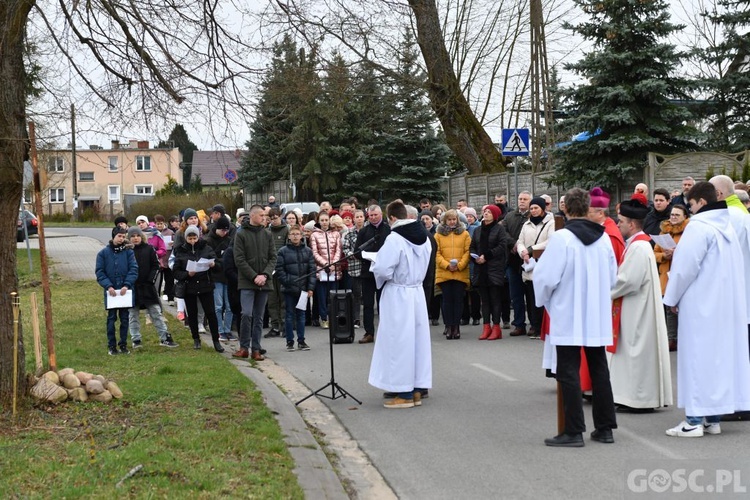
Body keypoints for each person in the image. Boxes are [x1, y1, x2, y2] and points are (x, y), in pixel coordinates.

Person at [663, 181, 750, 437]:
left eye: (690, 204)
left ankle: (692, 421)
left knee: (696, 360)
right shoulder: (730, 226)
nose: (689, 210)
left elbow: (684, 268)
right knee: (716, 360)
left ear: (701, 202)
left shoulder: (699, 228)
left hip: (700, 305)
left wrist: (671, 298)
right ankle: (712, 419)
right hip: (726, 305)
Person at [534, 187, 618, 447]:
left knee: (568, 370)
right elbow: (613, 276)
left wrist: (545, 300)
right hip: (595, 312)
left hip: (569, 311)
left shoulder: (562, 239)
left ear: (566, 209)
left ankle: (573, 431)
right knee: (599, 368)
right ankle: (605, 428)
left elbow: (546, 278)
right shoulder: (603, 238)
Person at [610, 195, 673, 411]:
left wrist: (603, 289)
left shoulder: (639, 247)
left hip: (638, 308)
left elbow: (628, 281)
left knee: (636, 351)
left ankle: (639, 400)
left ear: (632, 223)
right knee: (631, 351)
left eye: (620, 221)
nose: (618, 225)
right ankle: (631, 396)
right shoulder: (636, 244)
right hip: (634, 305)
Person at [368, 200, 433, 408]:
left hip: (398, 293)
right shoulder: (424, 238)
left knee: (398, 341)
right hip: (416, 292)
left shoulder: (395, 239)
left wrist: (376, 265)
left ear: (393, 218)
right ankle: (416, 388)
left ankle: (403, 393)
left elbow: (384, 269)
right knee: (416, 341)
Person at [171, 225, 225, 353]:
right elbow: (176, 271)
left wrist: (213, 264)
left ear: (198, 237)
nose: (192, 241)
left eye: (194, 238)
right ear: (186, 238)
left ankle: (216, 340)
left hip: (205, 285)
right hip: (189, 286)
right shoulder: (181, 251)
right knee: (192, 314)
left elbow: (219, 266)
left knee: (211, 313)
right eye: (189, 238)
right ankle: (196, 339)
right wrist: (186, 274)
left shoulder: (206, 248)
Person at [233, 205, 276, 361]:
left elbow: (273, 257)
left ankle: (256, 349)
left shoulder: (267, 234)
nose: (264, 218)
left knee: (259, 317)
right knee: (246, 314)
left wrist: (264, 275)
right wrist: (253, 276)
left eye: (265, 215)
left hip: (264, 281)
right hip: (247, 282)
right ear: (253, 216)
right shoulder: (241, 234)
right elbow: (239, 259)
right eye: (261, 215)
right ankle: (244, 347)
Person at [126, 226, 177, 348]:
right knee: (133, 315)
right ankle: (136, 339)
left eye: (137, 235)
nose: (135, 238)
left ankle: (164, 337)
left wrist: (150, 280)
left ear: (141, 236)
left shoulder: (149, 249)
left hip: (147, 286)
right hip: (132, 287)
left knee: (156, 312)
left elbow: (155, 266)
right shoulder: (127, 251)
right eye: (132, 236)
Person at [515, 196, 555, 338]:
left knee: (541, 298)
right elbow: (520, 241)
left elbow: (551, 241)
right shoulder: (526, 225)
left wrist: (531, 250)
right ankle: (533, 324)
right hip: (528, 265)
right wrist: (522, 252)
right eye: (531, 208)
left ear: (543, 208)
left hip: (543, 264)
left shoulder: (551, 223)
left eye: (536, 208)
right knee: (530, 298)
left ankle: (541, 326)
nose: (533, 210)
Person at [96, 226, 139, 356]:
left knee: (125, 318)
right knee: (111, 318)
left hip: (125, 292)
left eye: (123, 236)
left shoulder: (129, 253)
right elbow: (100, 272)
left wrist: (127, 285)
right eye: (119, 236)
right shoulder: (103, 253)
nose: (121, 239)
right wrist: (108, 286)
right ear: (113, 236)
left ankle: (123, 344)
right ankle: (111, 345)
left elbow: (133, 269)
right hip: (111, 292)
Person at [653, 204, 689, 351]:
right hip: (666, 276)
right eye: (672, 214)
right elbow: (654, 253)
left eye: (677, 215)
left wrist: (677, 253)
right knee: (669, 310)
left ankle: (683, 339)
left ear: (685, 217)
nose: (673, 217)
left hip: (681, 276)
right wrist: (663, 255)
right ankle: (671, 339)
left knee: (683, 309)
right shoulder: (663, 232)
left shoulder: (689, 232)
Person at [471, 204, 510, 341]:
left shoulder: (499, 229)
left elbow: (502, 246)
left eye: (489, 212)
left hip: (494, 269)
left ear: (495, 214)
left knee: (495, 299)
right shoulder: (477, 230)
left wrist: (486, 256)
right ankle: (486, 327)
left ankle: (496, 327)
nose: (486, 213)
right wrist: (475, 256)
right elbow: (473, 246)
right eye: (485, 211)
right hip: (480, 269)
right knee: (485, 300)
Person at [275, 224, 315, 351]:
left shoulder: (308, 251)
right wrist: (289, 282)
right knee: (289, 315)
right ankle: (290, 341)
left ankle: (301, 340)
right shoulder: (283, 251)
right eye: (293, 234)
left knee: (301, 315)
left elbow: (312, 271)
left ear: (301, 236)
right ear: (289, 236)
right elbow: (279, 270)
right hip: (289, 289)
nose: (295, 236)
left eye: (297, 234)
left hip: (303, 289)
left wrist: (310, 288)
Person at [355, 205, 391, 344]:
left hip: (384, 273)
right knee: (368, 304)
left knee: (384, 303)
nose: (374, 217)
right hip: (368, 272)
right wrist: (368, 256)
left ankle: (386, 332)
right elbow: (357, 251)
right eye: (371, 216)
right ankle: (369, 332)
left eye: (376, 215)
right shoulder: (364, 231)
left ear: (381, 214)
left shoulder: (388, 230)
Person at [434, 209, 471, 340]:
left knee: (458, 300)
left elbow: (468, 252)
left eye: (454, 219)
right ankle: (449, 326)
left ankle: (456, 326)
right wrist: (447, 265)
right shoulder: (438, 235)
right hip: (445, 272)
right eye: (449, 219)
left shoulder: (465, 234)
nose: (452, 222)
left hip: (460, 272)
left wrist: (459, 265)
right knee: (447, 300)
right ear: (445, 221)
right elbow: (436, 253)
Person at [503, 191, 531, 336]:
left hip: (530, 260)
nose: (522, 201)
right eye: (520, 199)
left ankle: (534, 324)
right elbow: (504, 231)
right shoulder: (510, 216)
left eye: (525, 199)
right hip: (513, 261)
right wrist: (514, 244)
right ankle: (519, 324)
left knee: (531, 295)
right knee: (516, 295)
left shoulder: (534, 215)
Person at [309, 211, 343, 330]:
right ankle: (324, 318)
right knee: (322, 297)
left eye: (326, 220)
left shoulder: (336, 233)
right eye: (322, 220)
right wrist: (325, 264)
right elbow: (314, 252)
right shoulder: (314, 235)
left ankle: (334, 317)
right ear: (318, 221)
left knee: (333, 295)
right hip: (321, 270)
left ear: (329, 221)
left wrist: (333, 264)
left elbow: (338, 249)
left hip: (334, 269)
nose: (324, 222)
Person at [205, 216, 234, 343]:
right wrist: (222, 260)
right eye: (222, 230)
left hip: (228, 277)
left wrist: (221, 260)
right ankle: (219, 330)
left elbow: (232, 257)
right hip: (216, 277)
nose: (224, 232)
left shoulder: (230, 240)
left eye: (226, 230)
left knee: (229, 306)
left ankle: (227, 330)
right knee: (218, 305)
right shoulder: (209, 241)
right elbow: (211, 258)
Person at [265, 207, 289, 338]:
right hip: (270, 270)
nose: (274, 221)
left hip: (282, 270)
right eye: (272, 218)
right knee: (272, 300)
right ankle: (274, 326)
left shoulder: (286, 230)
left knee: (283, 299)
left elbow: (287, 249)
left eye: (276, 218)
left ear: (280, 216)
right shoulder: (267, 231)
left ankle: (285, 325)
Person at [342, 209, 366, 328]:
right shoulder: (349, 233)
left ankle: (367, 318)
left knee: (367, 295)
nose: (359, 219)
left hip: (368, 267)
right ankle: (356, 318)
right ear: (354, 219)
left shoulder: (368, 231)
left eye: (361, 216)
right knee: (356, 294)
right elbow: (345, 248)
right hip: (355, 267)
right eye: (357, 217)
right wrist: (352, 255)